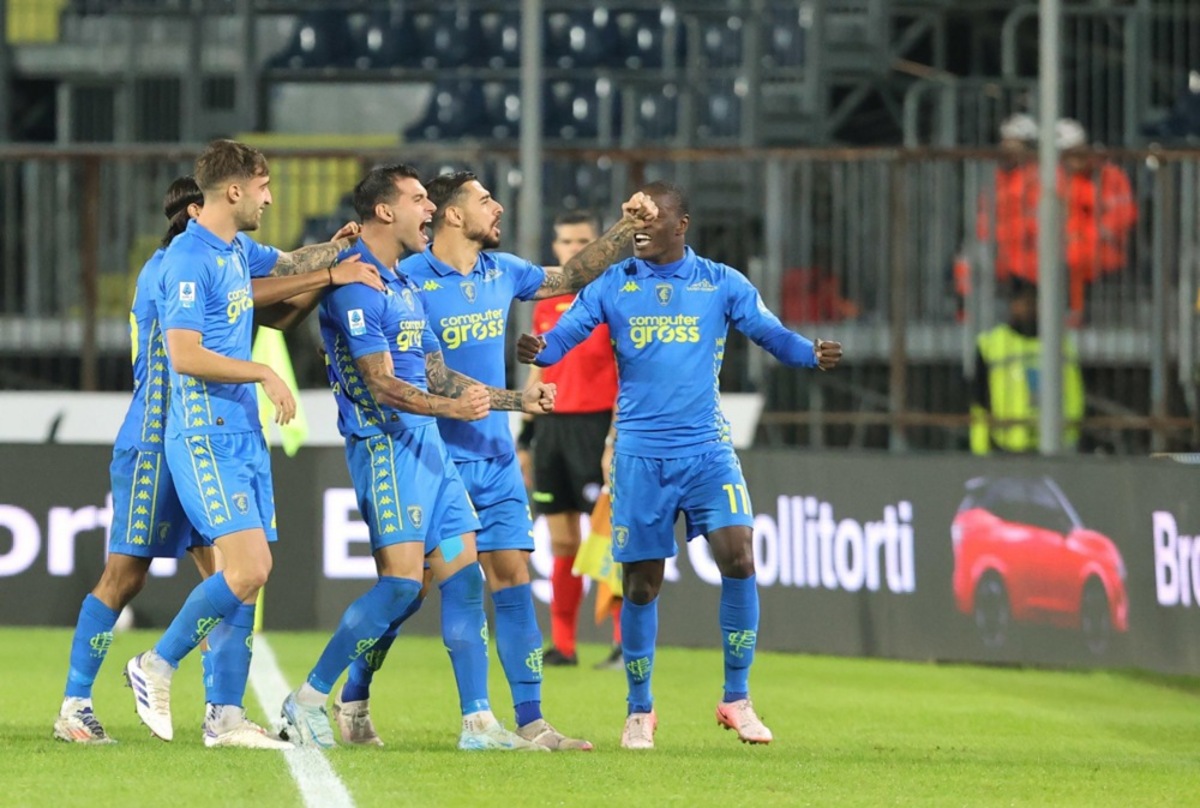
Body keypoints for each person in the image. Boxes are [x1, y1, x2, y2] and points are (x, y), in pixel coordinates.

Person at [337, 170, 656, 751]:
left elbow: (574, 274)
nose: (498, 207)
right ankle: (357, 692)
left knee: (511, 575)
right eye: (486, 200)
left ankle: (531, 721)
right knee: (415, 589)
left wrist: (626, 226)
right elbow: (418, 372)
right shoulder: (403, 280)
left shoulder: (502, 271)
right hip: (431, 458)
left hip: (496, 455)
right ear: (454, 215)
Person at [517, 181, 843, 750]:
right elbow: (563, 335)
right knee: (641, 584)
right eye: (634, 222)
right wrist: (538, 352)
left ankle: (736, 698)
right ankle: (640, 710)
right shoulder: (612, 284)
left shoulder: (720, 282)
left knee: (738, 555)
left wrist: (809, 353)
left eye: (653, 219)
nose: (641, 230)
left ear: (681, 224)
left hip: (707, 450)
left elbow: (770, 334)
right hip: (640, 455)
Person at [54, 174, 377, 747]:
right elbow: (251, 299)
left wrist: (334, 248)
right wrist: (329, 270)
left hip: (201, 432)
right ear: (189, 216)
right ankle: (76, 703)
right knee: (124, 576)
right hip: (155, 438)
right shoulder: (172, 269)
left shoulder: (221, 263)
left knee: (233, 577)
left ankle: (222, 714)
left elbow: (277, 278)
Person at [278, 163, 553, 752]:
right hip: (386, 447)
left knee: (461, 575)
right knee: (402, 587)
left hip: (430, 453)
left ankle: (478, 724)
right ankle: (306, 700)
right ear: (385, 211)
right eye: (419, 199)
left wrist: (511, 400)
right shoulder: (356, 285)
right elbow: (380, 383)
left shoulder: (401, 285)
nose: (429, 208)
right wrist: (449, 411)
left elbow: (433, 370)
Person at [119, 140, 347, 745]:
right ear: (235, 190)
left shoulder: (237, 250)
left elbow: (291, 264)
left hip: (242, 432)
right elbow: (186, 355)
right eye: (264, 185)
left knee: (246, 575)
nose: (271, 196)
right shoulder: (186, 260)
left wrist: (339, 249)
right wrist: (265, 371)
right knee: (249, 568)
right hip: (202, 432)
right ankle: (154, 664)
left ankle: (223, 715)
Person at [518, 210, 622, 669]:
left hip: (597, 426)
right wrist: (526, 434)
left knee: (610, 538)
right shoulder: (546, 303)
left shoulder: (616, 297)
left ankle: (623, 644)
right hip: (552, 428)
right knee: (561, 541)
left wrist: (615, 439)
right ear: (556, 248)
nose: (574, 249)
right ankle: (563, 645)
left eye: (583, 240)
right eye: (566, 241)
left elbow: (628, 372)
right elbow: (540, 366)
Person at [969, 278, 1085, 454]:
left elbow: (1075, 393)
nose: (1029, 308)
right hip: (1007, 446)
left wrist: (1074, 434)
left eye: (1034, 302)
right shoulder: (991, 344)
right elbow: (980, 401)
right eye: (1023, 302)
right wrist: (980, 449)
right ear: (1012, 305)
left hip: (1057, 445)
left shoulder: (1061, 344)